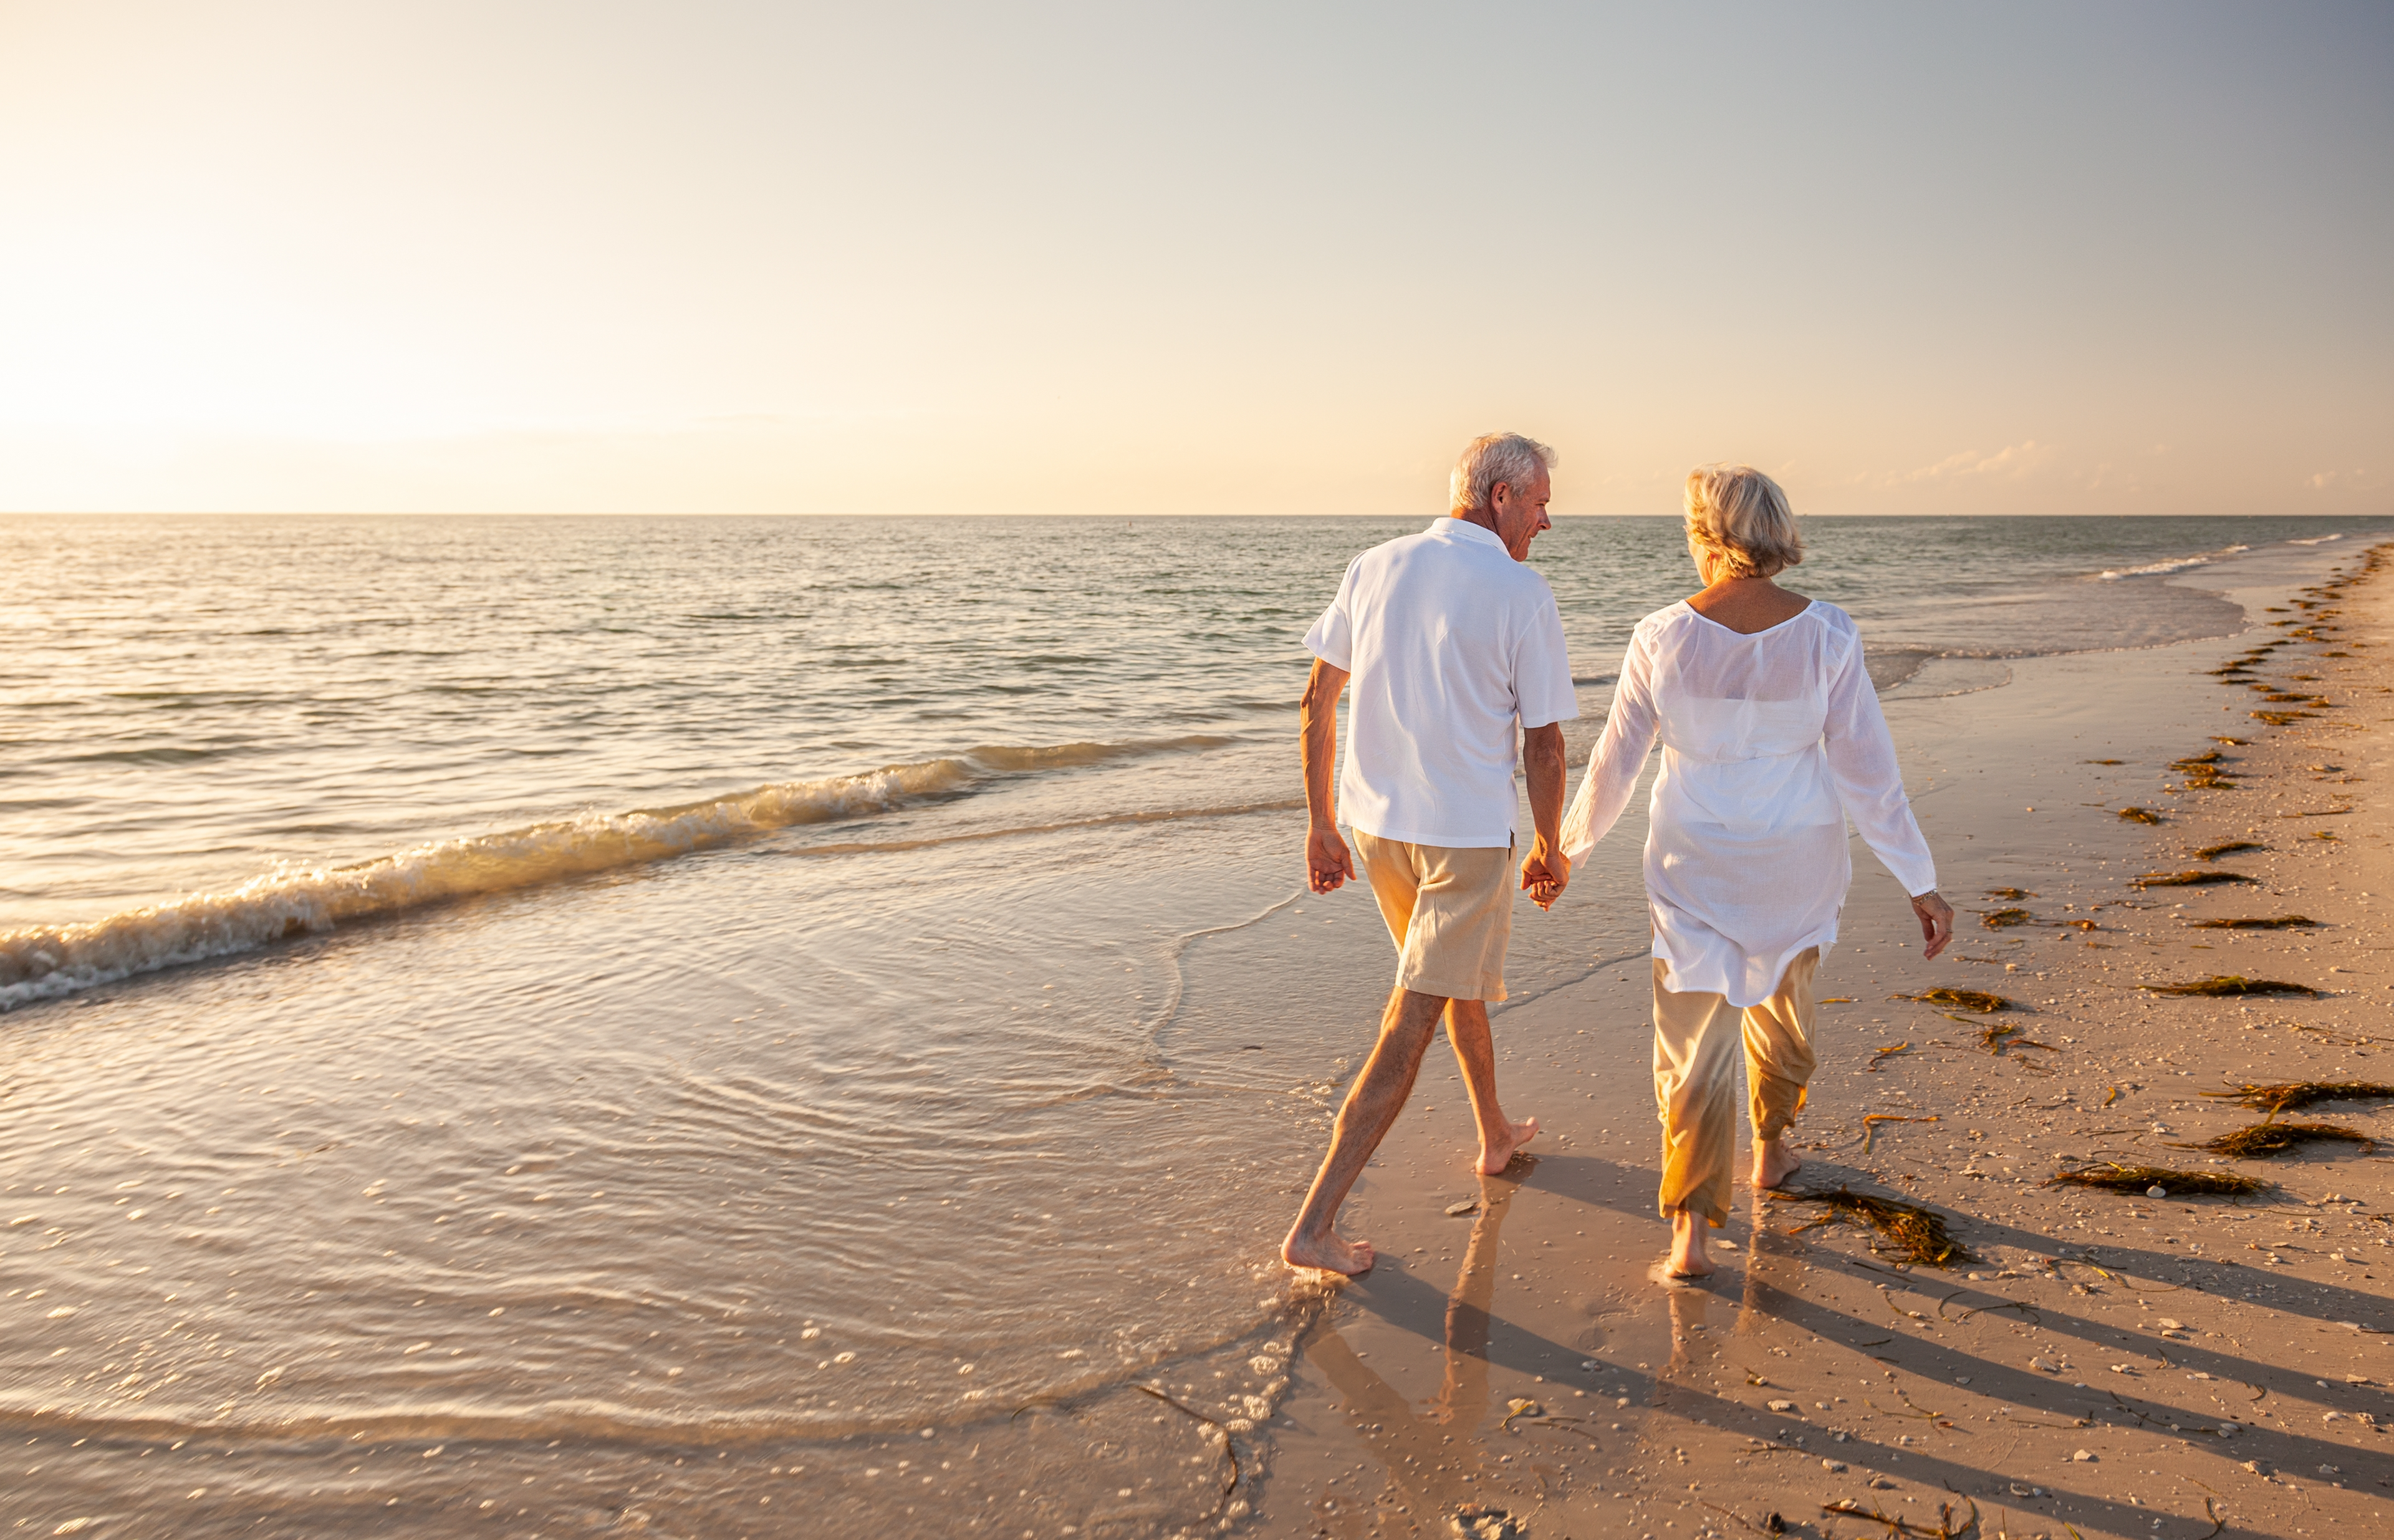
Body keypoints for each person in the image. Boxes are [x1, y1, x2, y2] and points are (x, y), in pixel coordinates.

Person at [1558, 464, 1954, 1280]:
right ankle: (1771, 1150)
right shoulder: (1830, 634)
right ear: (1774, 533)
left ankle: (1692, 1236)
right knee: (1783, 1012)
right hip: (1796, 864)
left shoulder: (1661, 635)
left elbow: (1614, 770)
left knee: (1693, 1046)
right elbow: (1869, 773)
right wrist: (1920, 877)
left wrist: (1564, 851)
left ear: (1707, 537)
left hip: (1691, 861)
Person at [1281, 431, 1579, 1277]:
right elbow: (1547, 743)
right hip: (1464, 842)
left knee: (1451, 981)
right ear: (1500, 498)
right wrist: (1552, 844)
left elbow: (1315, 701)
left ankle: (1492, 1131)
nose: (1548, 520)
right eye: (1541, 501)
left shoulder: (1372, 565)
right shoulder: (1522, 591)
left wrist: (1322, 823)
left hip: (1377, 833)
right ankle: (1314, 1224)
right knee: (1413, 1015)